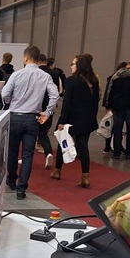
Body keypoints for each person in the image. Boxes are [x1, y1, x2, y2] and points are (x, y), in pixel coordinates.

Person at [1, 45, 59, 200]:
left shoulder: (16, 75)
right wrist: (47, 112)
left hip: (15, 117)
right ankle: (22, 188)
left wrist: (11, 102)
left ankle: (11, 179)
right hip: (33, 119)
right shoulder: (45, 76)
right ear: (38, 59)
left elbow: (5, 94)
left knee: (12, 151)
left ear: (25, 58)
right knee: (28, 155)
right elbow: (55, 96)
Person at [50, 54, 100, 188]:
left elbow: (67, 103)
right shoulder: (94, 81)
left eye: (73, 64)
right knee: (83, 147)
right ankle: (85, 177)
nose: (71, 66)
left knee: (63, 143)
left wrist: (62, 121)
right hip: (87, 119)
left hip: (71, 119)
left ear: (79, 66)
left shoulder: (71, 81)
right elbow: (95, 103)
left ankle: (57, 171)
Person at [37, 54, 60, 169]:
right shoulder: (54, 73)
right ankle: (48, 152)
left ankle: (27, 158)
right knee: (43, 133)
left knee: (29, 133)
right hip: (48, 107)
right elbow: (57, 92)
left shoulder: (37, 73)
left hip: (36, 106)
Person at [101, 61, 127, 154]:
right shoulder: (114, 77)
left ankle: (110, 146)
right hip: (113, 105)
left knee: (112, 126)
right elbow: (108, 92)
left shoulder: (114, 77)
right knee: (111, 127)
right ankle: (109, 146)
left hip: (113, 105)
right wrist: (107, 105)